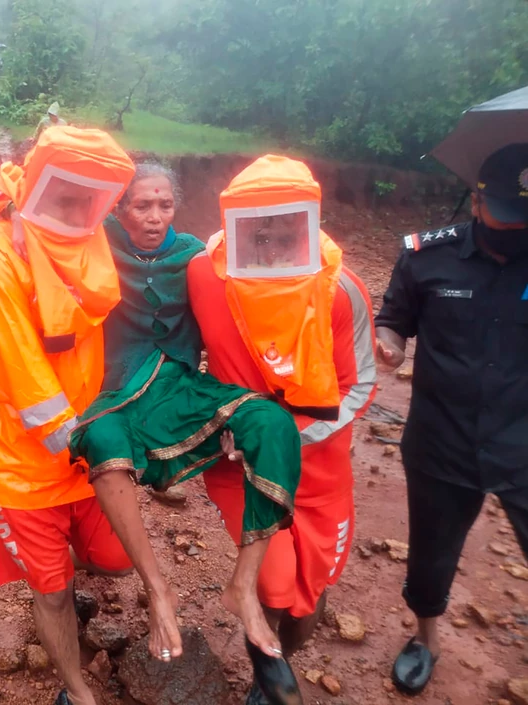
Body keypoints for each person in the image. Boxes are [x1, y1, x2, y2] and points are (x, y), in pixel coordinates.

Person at [67, 162, 305, 704]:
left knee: (271, 422)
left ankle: (242, 587)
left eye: (165, 205)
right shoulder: (94, 243)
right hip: (117, 392)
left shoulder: (197, 255)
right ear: (119, 208)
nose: (154, 217)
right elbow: (41, 228)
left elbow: (249, 301)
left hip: (182, 390)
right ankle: (158, 589)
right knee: (102, 442)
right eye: (141, 206)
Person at [187, 155, 377, 705]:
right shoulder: (205, 274)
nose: (269, 245)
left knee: (308, 597)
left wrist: (283, 436)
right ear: (234, 226)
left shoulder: (340, 291)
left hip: (319, 473)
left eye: (284, 231)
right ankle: (268, 681)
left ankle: (275, 669)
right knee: (273, 585)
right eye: (257, 232)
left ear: (308, 225)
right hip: (238, 466)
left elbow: (360, 385)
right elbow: (176, 351)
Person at [0, 125, 137, 705]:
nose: (78, 208)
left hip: (82, 446)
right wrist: (105, 450)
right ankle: (76, 691)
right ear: (37, 185)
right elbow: (28, 382)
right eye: (66, 193)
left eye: (90, 197)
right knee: (53, 590)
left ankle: (63, 561)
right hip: (19, 459)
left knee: (116, 560)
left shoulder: (90, 237)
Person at [375, 143, 528, 696]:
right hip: (441, 439)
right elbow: (393, 319)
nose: (515, 228)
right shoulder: (426, 256)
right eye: (505, 214)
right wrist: (390, 347)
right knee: (431, 553)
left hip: (523, 441)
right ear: (477, 201)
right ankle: (426, 639)